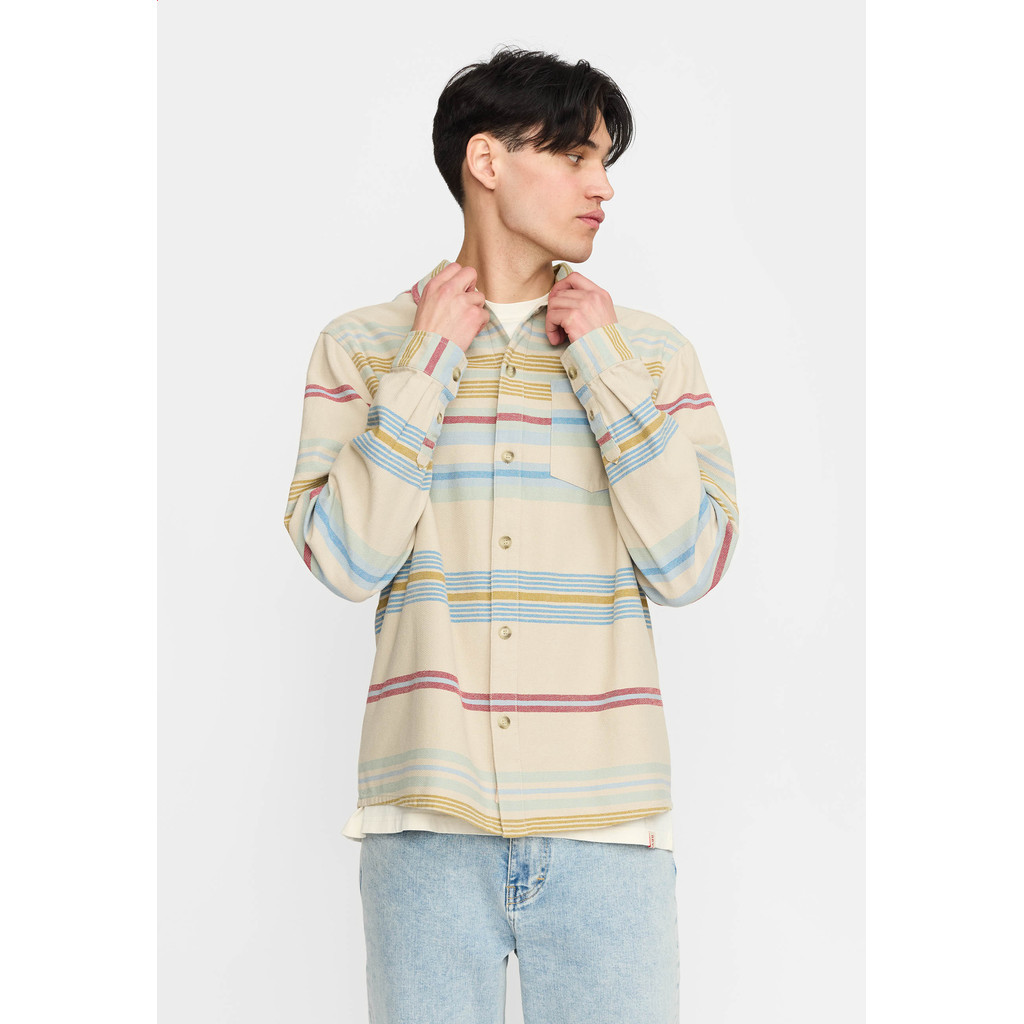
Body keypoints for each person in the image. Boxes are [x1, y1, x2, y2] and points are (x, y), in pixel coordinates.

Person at [283, 46, 739, 1024]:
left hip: (608, 830)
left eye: (605, 161)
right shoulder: (363, 347)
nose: (602, 187)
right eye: (575, 156)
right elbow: (346, 559)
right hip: (424, 826)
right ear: (485, 161)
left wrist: (604, 366)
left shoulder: (649, 353)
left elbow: (692, 564)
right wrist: (428, 362)